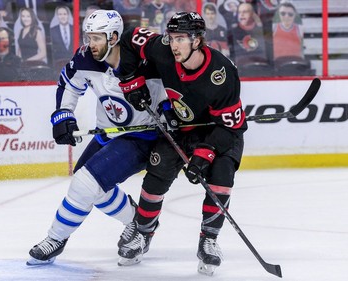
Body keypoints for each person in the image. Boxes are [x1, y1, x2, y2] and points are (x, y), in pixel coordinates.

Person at [26, 9, 166, 266]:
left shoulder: (145, 60)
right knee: (88, 187)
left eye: (96, 38)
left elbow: (174, 87)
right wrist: (63, 114)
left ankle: (55, 239)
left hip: (142, 138)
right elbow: (69, 82)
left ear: (113, 37)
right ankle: (138, 220)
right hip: (108, 133)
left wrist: (172, 114)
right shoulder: (86, 58)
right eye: (88, 37)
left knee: (85, 184)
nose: (91, 44)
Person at [116, 11, 247, 276]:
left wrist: (203, 156)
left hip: (217, 133)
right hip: (180, 126)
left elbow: (229, 126)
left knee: (220, 178)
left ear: (197, 40)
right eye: (172, 37)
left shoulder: (222, 72)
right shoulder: (163, 49)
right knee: (155, 178)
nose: (174, 44)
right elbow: (129, 38)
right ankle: (143, 234)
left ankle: (209, 240)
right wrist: (131, 82)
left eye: (181, 39)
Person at [230, 2, 269, 69]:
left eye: (245, 12)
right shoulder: (233, 31)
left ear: (252, 14)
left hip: (261, 68)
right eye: (239, 12)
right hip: (241, 71)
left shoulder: (262, 29)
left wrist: (260, 27)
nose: (241, 14)